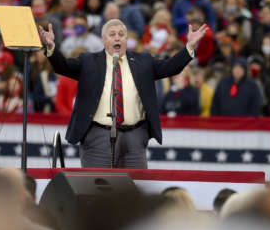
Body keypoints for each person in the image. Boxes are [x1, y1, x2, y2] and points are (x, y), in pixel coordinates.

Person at [39, 18, 207, 168]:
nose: (117, 37)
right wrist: (51, 47)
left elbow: (171, 67)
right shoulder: (88, 61)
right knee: (97, 189)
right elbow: (62, 66)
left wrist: (189, 47)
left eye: (121, 34)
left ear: (127, 40)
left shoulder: (144, 61)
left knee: (134, 192)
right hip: (97, 135)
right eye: (112, 34)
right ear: (104, 40)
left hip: (135, 136)